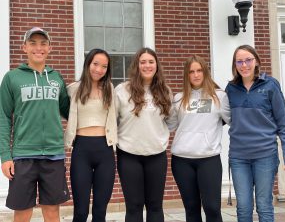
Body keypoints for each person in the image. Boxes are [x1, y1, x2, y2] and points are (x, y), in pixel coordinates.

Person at [0, 27, 70, 222]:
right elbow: (3, 117)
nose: (38, 48)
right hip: (23, 155)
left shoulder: (56, 78)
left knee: (52, 211)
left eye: (43, 43)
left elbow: (70, 111)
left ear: (49, 48)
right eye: (33, 43)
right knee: (22, 213)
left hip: (53, 155)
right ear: (24, 47)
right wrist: (5, 156)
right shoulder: (12, 78)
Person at [225, 44, 285, 222]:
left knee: (264, 205)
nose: (244, 65)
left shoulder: (270, 85)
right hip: (239, 157)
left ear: (256, 61)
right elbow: (222, 116)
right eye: (239, 61)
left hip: (265, 155)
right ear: (235, 65)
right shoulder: (231, 89)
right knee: (244, 207)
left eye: (248, 60)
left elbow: (284, 122)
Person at [167, 55, 230, 222]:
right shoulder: (179, 98)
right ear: (186, 75)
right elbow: (170, 125)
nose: (195, 75)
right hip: (182, 161)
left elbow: (233, 121)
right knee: (191, 209)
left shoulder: (220, 96)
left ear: (205, 72)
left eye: (199, 70)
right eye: (191, 72)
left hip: (209, 159)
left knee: (212, 208)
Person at [115, 47, 172, 222]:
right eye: (143, 62)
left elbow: (169, 121)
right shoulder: (122, 90)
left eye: (151, 62)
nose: (147, 65)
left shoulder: (165, 91)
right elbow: (112, 121)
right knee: (134, 206)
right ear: (136, 65)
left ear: (156, 65)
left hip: (156, 155)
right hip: (129, 155)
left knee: (155, 206)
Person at [64, 48, 117, 222]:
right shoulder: (73, 89)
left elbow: (118, 116)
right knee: (80, 211)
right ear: (88, 63)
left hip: (105, 151)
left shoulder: (110, 89)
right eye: (95, 64)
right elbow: (64, 112)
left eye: (104, 66)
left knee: (100, 211)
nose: (99, 69)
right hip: (81, 151)